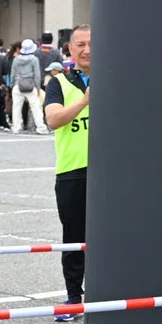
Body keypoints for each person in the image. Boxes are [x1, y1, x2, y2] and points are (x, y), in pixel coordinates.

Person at [44, 26, 92, 308]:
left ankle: (107, 291)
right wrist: (85, 101)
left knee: (114, 234)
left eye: (92, 44)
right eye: (80, 44)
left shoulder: (115, 76)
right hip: (72, 171)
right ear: (70, 50)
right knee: (74, 237)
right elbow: (53, 119)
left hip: (110, 173)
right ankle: (74, 295)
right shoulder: (59, 83)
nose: (87, 50)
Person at [11, 39, 46, 133]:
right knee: (36, 107)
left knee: (16, 108)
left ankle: (16, 127)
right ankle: (41, 128)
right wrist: (38, 88)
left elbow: (13, 74)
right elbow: (37, 75)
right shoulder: (34, 59)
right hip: (31, 85)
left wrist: (12, 85)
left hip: (18, 85)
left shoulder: (16, 59)